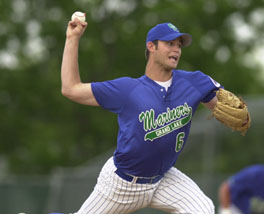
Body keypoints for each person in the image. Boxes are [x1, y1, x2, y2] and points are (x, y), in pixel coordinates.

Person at [61, 16, 249, 214]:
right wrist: (72, 39)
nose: (176, 49)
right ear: (151, 46)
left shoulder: (193, 82)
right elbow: (70, 88)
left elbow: (230, 110)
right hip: (122, 183)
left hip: (163, 180)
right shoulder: (128, 89)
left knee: (202, 209)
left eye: (179, 45)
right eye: (169, 43)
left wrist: (239, 115)